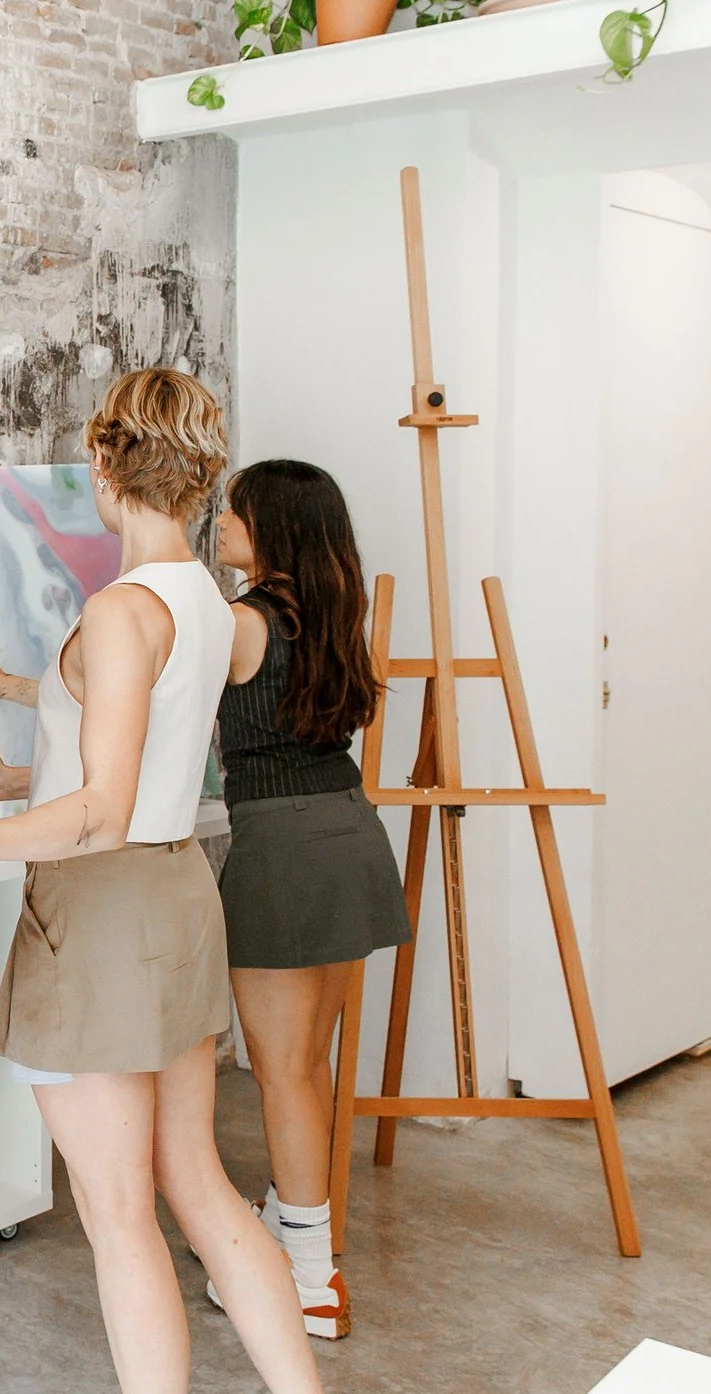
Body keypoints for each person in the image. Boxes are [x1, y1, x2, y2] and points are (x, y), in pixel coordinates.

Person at [0, 369, 394, 1394]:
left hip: (103, 913)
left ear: (104, 473)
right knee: (202, 1189)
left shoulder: (118, 612)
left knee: (119, 1216)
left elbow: (96, 813)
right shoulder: (208, 599)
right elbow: (129, 761)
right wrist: (7, 763)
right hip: (177, 899)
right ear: (200, 479)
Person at [209, 460, 413, 1340]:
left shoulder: (240, 621)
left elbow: (135, 695)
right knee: (311, 1065)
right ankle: (301, 1239)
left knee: (284, 1072)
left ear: (274, 529)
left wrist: (19, 686)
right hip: (348, 836)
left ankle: (309, 1279)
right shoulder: (330, 613)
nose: (218, 524)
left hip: (285, 852)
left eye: (234, 514)